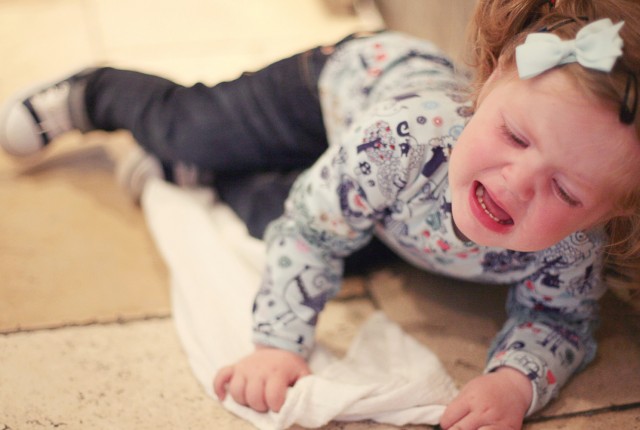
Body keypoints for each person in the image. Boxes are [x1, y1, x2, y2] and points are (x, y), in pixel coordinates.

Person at [2, 0, 639, 428]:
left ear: (613, 213)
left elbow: (560, 319)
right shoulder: (405, 138)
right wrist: (277, 343)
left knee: (296, 222)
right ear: (492, 79)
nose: (516, 185)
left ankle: (204, 178)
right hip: (335, 87)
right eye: (517, 138)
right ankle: (93, 94)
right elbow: (311, 229)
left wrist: (514, 383)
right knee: (194, 132)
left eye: (566, 190)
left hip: (392, 212)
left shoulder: (575, 245)